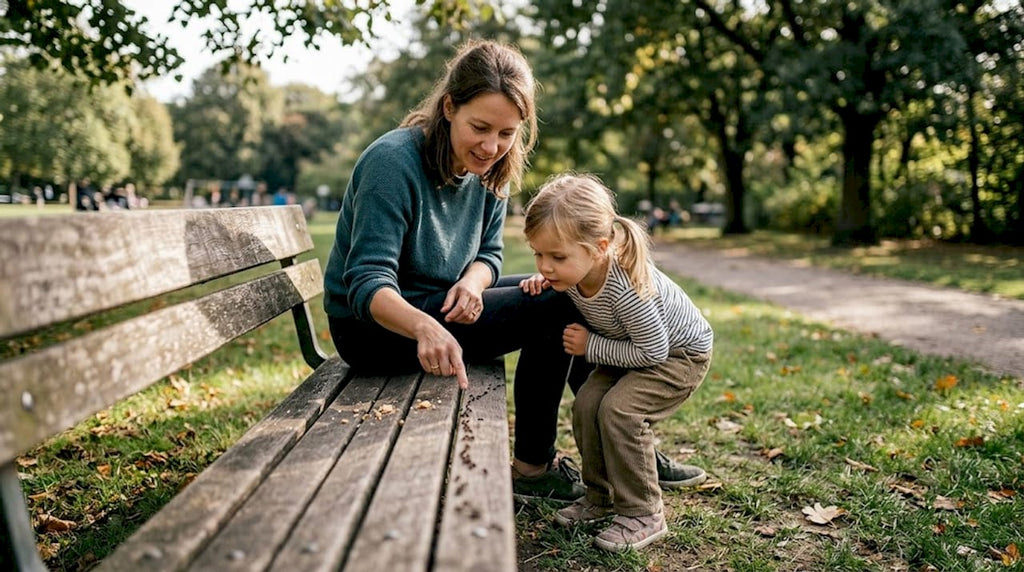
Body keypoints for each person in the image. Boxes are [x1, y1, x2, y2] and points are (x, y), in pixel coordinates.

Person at [323, 39, 698, 504]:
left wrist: (472, 281)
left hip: (441, 301)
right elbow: (366, 283)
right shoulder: (392, 162)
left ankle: (622, 441)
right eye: (480, 128)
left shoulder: (492, 167)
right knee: (555, 303)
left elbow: (489, 254)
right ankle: (534, 467)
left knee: (562, 287)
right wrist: (424, 327)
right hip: (374, 328)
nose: (491, 147)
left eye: (506, 133)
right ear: (449, 107)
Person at [520, 173, 714, 552]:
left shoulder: (626, 290)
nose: (545, 266)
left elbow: (653, 352)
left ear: (600, 247)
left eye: (557, 257)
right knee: (587, 403)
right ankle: (600, 496)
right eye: (538, 255)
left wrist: (591, 346)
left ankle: (644, 512)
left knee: (620, 412)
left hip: (678, 356)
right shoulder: (578, 270)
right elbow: (566, 274)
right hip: (629, 347)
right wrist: (546, 278)